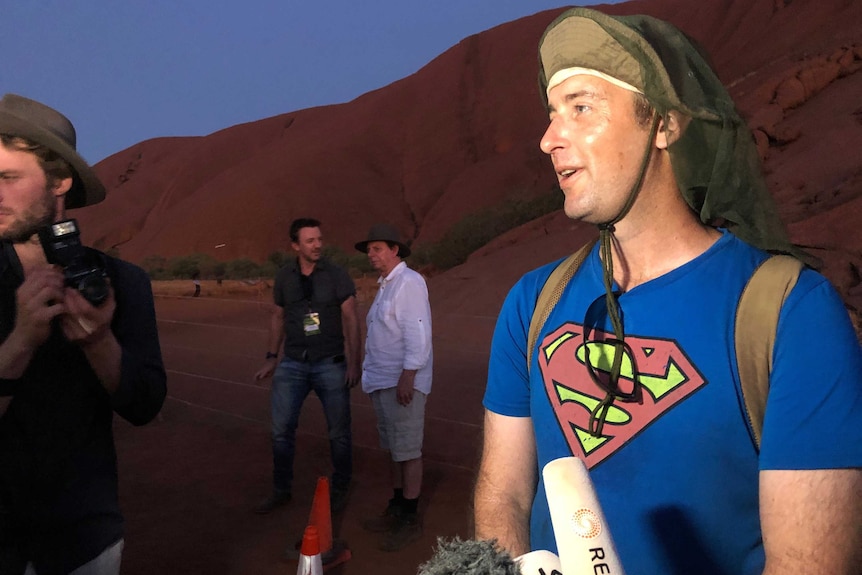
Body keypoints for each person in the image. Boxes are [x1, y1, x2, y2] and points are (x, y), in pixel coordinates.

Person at [473, 8, 862, 575]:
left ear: (664, 125)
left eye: (581, 108)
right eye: (553, 114)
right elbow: (504, 492)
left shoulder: (791, 315)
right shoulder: (531, 304)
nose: (549, 139)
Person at [0, 94, 167, 574]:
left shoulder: (123, 281)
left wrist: (98, 342)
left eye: (9, 178)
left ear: (61, 181)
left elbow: (144, 404)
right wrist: (21, 340)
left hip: (84, 537)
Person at [253, 218, 360, 514]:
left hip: (331, 363)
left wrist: (354, 362)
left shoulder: (336, 275)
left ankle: (341, 487)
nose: (317, 245)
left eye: (319, 239)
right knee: (281, 430)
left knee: (339, 431)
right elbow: (278, 316)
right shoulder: (285, 276)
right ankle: (281, 489)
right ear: (295, 246)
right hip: (293, 364)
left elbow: (351, 316)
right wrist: (271, 357)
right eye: (310, 241)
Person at [355, 223, 432, 552]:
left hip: (402, 381)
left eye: (376, 248)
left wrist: (409, 375)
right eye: (369, 250)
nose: (371, 255)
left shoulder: (409, 283)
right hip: (382, 380)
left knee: (408, 449)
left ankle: (410, 516)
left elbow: (418, 332)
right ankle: (397, 504)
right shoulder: (386, 285)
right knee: (394, 448)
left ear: (395, 250)